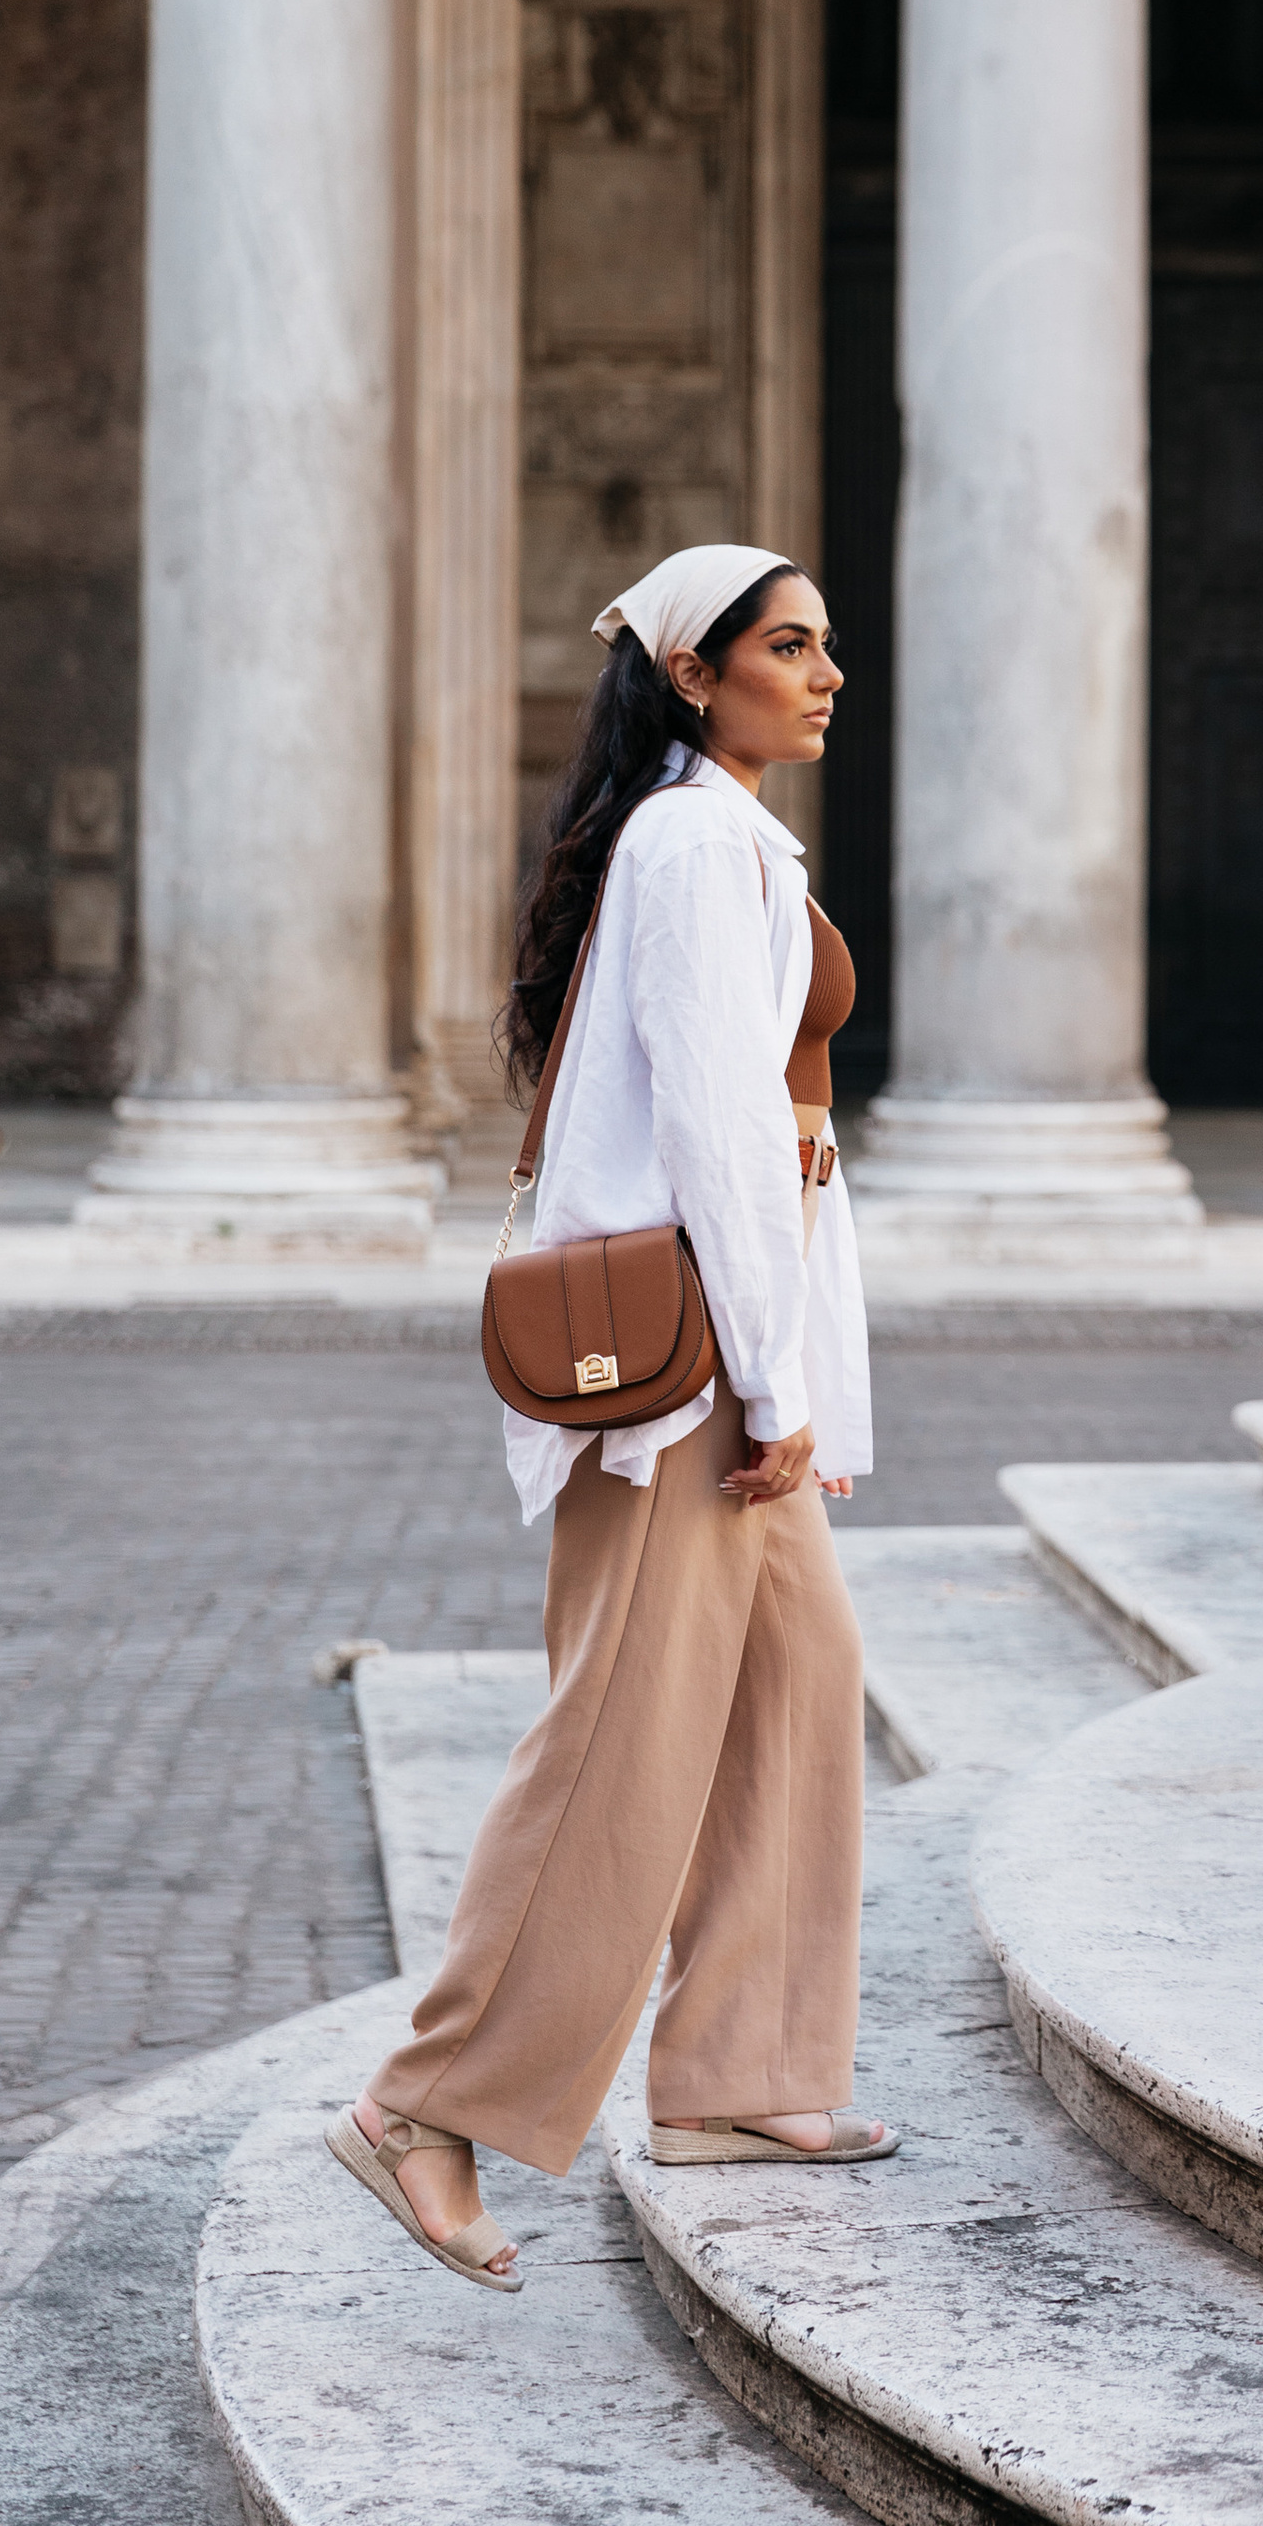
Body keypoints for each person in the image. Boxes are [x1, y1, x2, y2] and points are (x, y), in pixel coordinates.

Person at [327, 543, 884, 2290]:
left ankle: (739, 2072)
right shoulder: (698, 840)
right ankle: (427, 2103)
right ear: (698, 676)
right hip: (702, 1374)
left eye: (826, 645)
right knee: (617, 1747)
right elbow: (723, 1126)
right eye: (790, 646)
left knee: (800, 1689)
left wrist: (805, 1372)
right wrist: (774, 1380)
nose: (826, 672)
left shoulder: (712, 833)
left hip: (735, 1345)